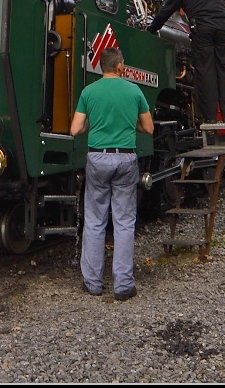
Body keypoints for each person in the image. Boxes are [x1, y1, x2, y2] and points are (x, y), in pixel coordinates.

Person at [70, 47, 154, 301]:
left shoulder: (89, 92)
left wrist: (92, 123)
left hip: (97, 157)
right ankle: (123, 285)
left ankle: (93, 283)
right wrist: (131, 123)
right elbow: (148, 128)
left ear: (102, 67)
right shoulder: (134, 90)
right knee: (124, 222)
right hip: (125, 158)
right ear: (120, 67)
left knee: (95, 221)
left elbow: (75, 129)